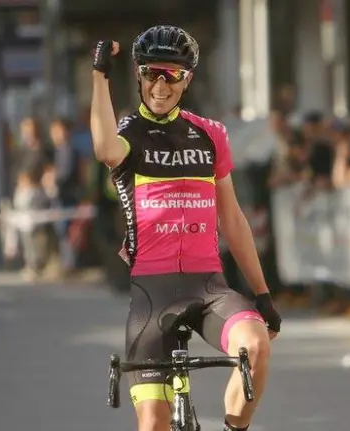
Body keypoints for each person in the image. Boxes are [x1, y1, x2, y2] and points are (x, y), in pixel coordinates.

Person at [89, 26, 281, 431]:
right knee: (154, 425)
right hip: (151, 297)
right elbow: (105, 147)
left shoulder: (210, 135)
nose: (160, 85)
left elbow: (232, 219)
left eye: (171, 75)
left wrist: (261, 293)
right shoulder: (128, 136)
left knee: (257, 344)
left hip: (209, 287)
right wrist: (100, 74)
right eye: (151, 73)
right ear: (139, 75)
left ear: (186, 79)